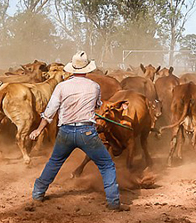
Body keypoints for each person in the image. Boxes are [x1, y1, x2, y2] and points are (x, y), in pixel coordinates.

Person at [29, 51, 128, 211]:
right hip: (87, 131)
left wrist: (39, 130)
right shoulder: (94, 86)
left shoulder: (61, 86)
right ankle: (114, 203)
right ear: (87, 69)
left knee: (54, 163)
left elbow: (50, 111)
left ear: (72, 69)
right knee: (107, 165)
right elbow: (97, 106)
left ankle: (38, 193)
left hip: (65, 132)